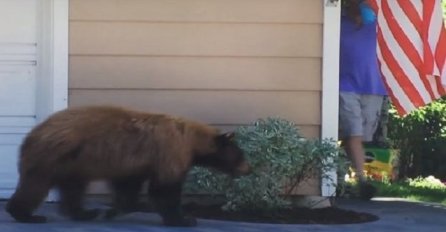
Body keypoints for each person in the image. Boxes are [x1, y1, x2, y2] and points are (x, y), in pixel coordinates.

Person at [339, 0, 387, 200]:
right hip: (344, 85)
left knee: (356, 137)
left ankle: (337, 180)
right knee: (355, 134)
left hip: (373, 87)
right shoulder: (337, 24)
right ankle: (362, 182)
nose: (362, 5)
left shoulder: (379, 26)